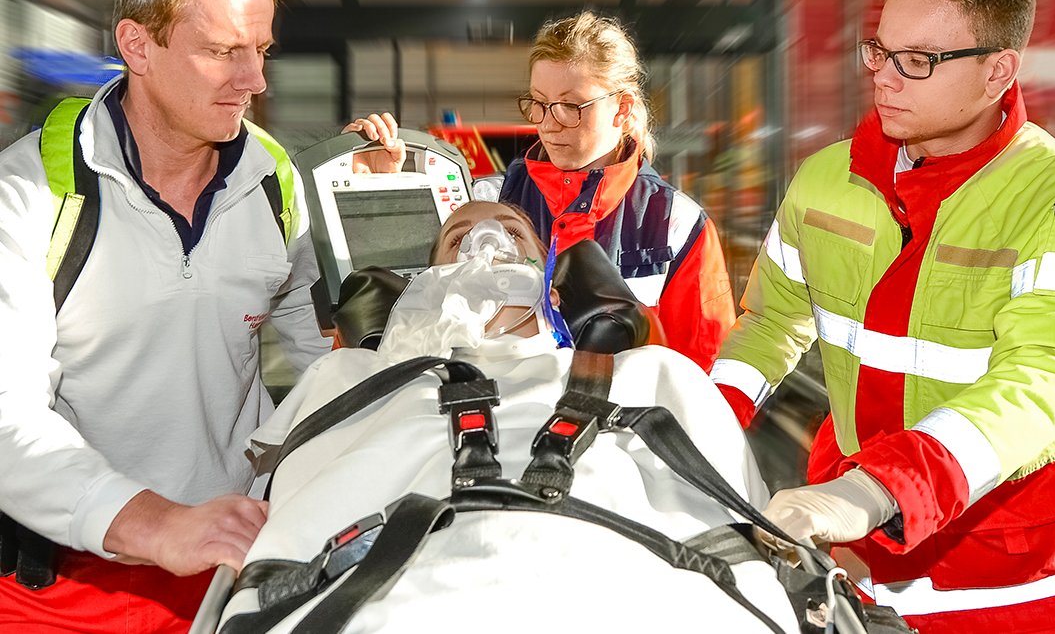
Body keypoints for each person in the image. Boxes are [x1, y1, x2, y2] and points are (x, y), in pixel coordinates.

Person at [710, 0, 1055, 633]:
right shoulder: (824, 180)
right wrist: (704, 421)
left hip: (1023, 588)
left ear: (999, 71)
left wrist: (872, 488)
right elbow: (769, 324)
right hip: (858, 563)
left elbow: (1043, 385)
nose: (884, 79)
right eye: (878, 51)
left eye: (920, 61)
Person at [218, 200, 797, 633]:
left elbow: (742, 523)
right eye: (458, 237)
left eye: (513, 234)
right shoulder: (345, 380)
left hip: (635, 595)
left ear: (552, 281)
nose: (485, 245)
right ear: (422, 282)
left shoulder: (651, 374)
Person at [0, 0, 335, 631]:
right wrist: (157, 524)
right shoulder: (29, 193)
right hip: (61, 580)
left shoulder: (276, 183)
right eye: (222, 51)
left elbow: (319, 364)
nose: (256, 80)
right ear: (138, 46)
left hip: (232, 560)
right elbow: (6, 417)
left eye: (261, 50)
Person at [474, 11, 736, 372]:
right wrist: (381, 182)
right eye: (539, 103)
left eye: (570, 106)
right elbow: (419, 317)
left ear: (622, 108)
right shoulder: (489, 203)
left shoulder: (677, 224)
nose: (548, 125)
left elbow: (705, 370)